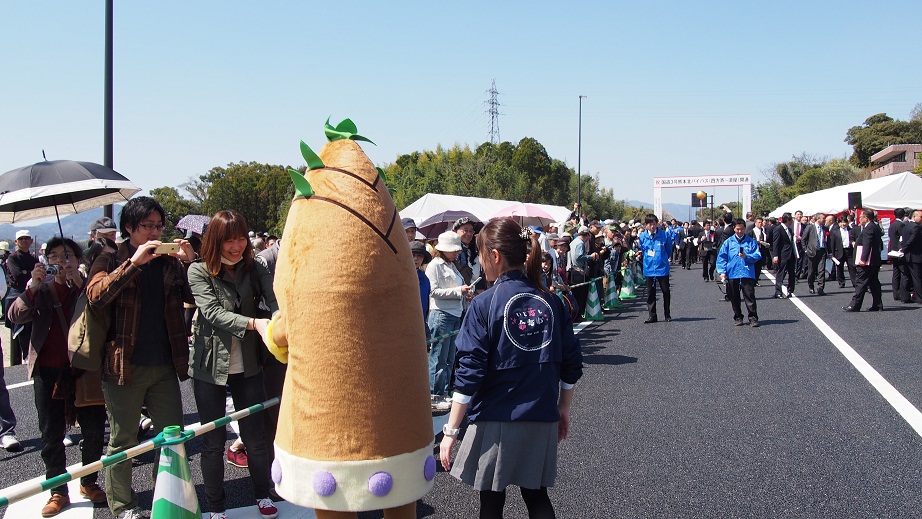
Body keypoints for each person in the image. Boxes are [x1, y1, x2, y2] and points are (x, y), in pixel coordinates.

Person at [439, 218, 583, 519]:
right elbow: (571, 363)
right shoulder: (552, 301)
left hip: (495, 416)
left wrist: (451, 431)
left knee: (491, 503)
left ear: (494, 256)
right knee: (537, 497)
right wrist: (563, 408)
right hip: (541, 412)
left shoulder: (485, 304)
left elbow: (469, 373)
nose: (480, 262)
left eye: (481, 254)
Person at [85, 196, 197, 519]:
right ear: (130, 228)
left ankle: (169, 496)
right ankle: (122, 505)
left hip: (164, 364)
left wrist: (190, 263)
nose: (156, 231)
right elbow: (96, 296)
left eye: (159, 225)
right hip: (124, 366)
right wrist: (133, 263)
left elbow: (195, 297)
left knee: (171, 437)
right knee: (122, 440)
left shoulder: (168, 261)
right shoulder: (109, 257)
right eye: (148, 225)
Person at [187, 210, 279, 519]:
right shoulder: (198, 270)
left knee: (255, 437)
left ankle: (262, 494)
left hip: (249, 364)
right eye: (229, 240)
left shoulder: (257, 267)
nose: (236, 246)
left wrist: (279, 322)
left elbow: (274, 299)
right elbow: (212, 312)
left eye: (241, 238)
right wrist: (256, 323)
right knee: (212, 442)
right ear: (215, 240)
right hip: (209, 364)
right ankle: (216, 507)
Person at [8, 238, 108, 516]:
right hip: (48, 370)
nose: (61, 262)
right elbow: (14, 315)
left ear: (79, 260)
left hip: (85, 369)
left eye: (67, 256)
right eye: (53, 256)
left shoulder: (90, 286)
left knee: (93, 430)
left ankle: (89, 482)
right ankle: (57, 490)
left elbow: (105, 313)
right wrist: (32, 287)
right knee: (50, 434)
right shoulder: (40, 289)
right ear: (44, 261)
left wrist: (80, 285)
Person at [426, 231, 472, 412]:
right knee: (438, 357)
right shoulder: (434, 266)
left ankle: (443, 393)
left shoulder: (453, 266)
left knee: (449, 358)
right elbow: (434, 291)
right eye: (453, 250)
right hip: (441, 314)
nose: (456, 253)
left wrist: (465, 294)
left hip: (455, 314)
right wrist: (457, 291)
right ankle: (434, 395)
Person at [716, 219, 761, 327]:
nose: (740, 231)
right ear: (734, 229)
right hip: (732, 273)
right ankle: (738, 316)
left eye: (742, 229)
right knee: (734, 297)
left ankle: (753, 317)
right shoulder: (728, 242)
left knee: (749, 296)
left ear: (745, 229)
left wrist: (747, 257)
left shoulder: (751, 241)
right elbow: (722, 258)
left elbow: (757, 255)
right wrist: (722, 272)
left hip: (747, 273)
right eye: (738, 229)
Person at [844, 209, 884, 312]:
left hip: (868, 261)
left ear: (866, 218)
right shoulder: (875, 227)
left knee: (861, 282)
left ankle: (855, 305)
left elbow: (867, 245)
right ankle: (877, 304)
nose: (859, 219)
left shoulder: (868, 228)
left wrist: (863, 259)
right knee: (874, 283)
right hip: (874, 260)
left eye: (861, 217)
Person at [637, 214, 675, 323]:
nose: (652, 226)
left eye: (654, 224)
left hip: (662, 268)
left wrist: (662, 258)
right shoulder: (643, 236)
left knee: (666, 291)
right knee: (650, 293)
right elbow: (644, 250)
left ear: (657, 223)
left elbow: (669, 249)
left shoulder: (664, 235)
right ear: (646, 225)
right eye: (650, 224)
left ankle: (667, 314)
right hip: (649, 268)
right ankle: (652, 315)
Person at [771, 212, 799, 299]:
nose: (792, 221)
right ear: (787, 220)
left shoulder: (789, 230)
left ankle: (790, 290)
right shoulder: (778, 229)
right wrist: (775, 256)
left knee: (792, 273)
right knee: (781, 273)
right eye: (791, 219)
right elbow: (775, 243)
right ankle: (778, 292)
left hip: (790, 254)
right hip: (782, 254)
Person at [802, 213, 827, 295]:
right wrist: (806, 250)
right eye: (823, 218)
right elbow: (803, 239)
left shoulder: (825, 228)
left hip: (822, 251)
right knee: (811, 270)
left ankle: (820, 288)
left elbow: (828, 240)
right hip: (812, 251)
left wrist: (829, 252)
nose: (825, 219)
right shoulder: (810, 227)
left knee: (821, 270)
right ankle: (811, 286)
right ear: (818, 219)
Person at [901, 210, 922, 304]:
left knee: (906, 276)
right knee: (917, 278)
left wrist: (903, 249)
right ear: (914, 217)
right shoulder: (916, 227)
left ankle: (904, 297)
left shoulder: (906, 226)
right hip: (915, 255)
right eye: (920, 217)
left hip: (907, 256)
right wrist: (904, 248)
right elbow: (911, 240)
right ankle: (920, 298)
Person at [827, 216, 853, 289]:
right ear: (838, 223)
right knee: (839, 268)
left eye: (845, 222)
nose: (843, 224)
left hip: (849, 250)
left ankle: (854, 282)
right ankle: (841, 282)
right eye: (841, 222)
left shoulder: (851, 230)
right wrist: (831, 253)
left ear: (847, 223)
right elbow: (832, 243)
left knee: (852, 267)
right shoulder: (835, 232)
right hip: (839, 251)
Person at [888, 208, 907, 302]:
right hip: (899, 251)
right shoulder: (901, 225)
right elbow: (903, 238)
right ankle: (902, 293)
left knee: (895, 272)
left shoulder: (892, 224)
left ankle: (895, 293)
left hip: (892, 250)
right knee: (903, 272)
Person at [748, 217, 771, 286]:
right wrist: (758, 242)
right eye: (759, 222)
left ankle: (756, 280)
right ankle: (752, 280)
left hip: (761, 251)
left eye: (761, 222)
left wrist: (766, 244)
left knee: (759, 267)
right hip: (754, 252)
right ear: (755, 223)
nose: (760, 224)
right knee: (754, 266)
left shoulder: (763, 232)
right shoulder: (751, 232)